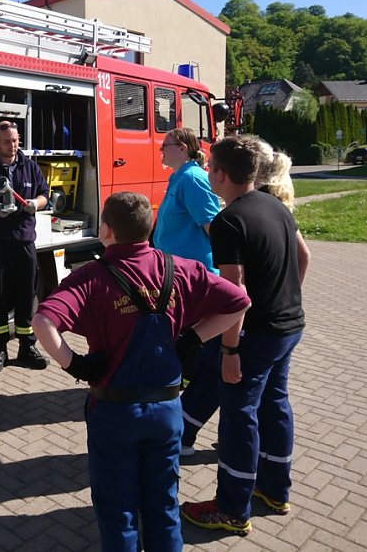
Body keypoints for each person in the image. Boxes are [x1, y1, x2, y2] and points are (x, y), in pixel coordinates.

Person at [31, 191, 251, 551]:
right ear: (150, 228)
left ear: (106, 230)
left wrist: (75, 364)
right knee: (163, 503)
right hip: (166, 410)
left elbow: (42, 322)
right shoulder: (179, 268)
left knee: (117, 508)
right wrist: (195, 338)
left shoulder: (90, 278)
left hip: (114, 412)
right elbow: (240, 301)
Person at [181, 136, 310, 536]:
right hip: (288, 327)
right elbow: (304, 256)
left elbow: (234, 293)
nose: (207, 172)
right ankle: (274, 489)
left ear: (221, 174)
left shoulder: (229, 221)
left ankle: (232, 509)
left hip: (254, 337)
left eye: (210, 167)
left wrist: (230, 349)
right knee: (275, 405)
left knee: (239, 417)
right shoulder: (276, 205)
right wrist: (284, 300)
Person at [0, 120, 50, 374]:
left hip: (24, 241)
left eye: (15, 140)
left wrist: (36, 204)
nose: (12, 145)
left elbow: (44, 194)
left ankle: (27, 347)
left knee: (26, 296)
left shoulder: (30, 167)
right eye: (7, 141)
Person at [153, 127, 221, 273]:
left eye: (165, 145)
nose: (160, 149)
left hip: (193, 274)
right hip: (178, 270)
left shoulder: (192, 178)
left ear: (182, 148)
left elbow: (214, 229)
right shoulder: (179, 177)